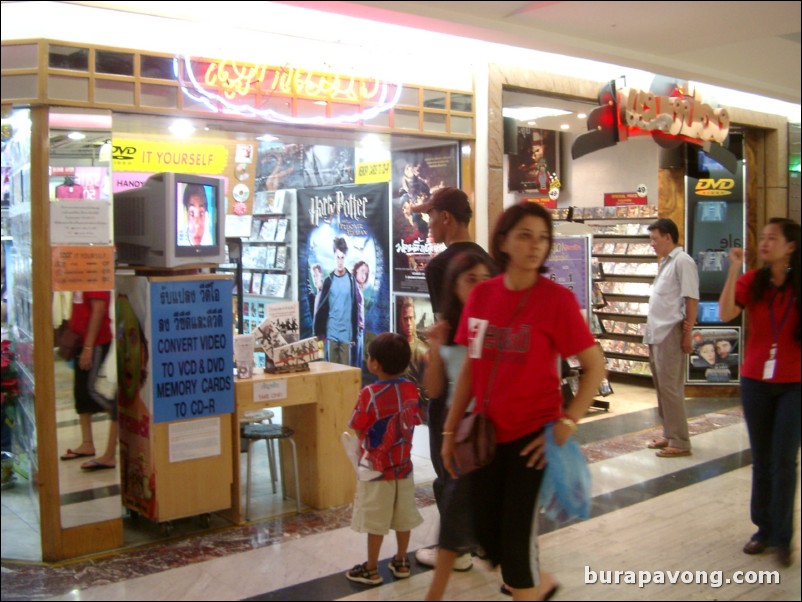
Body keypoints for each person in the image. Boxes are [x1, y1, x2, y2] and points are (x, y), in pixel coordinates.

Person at [441, 202, 606, 601]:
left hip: (533, 440)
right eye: (525, 236)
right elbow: (469, 369)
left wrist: (567, 424)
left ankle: (529, 584)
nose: (536, 246)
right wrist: (449, 430)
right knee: (490, 540)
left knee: (516, 548)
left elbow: (594, 367)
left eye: (543, 238)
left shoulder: (556, 301)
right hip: (486, 437)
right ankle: (533, 582)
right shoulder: (482, 296)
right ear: (504, 242)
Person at [409, 186, 494, 574]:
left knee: (447, 457)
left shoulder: (441, 266)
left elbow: (449, 326)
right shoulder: (487, 261)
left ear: (446, 217)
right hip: (488, 375)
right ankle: (477, 539)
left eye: (430, 216)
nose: (427, 224)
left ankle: (455, 548)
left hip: (455, 372)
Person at [718, 218, 800, 568]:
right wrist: (734, 268)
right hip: (756, 381)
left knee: (784, 459)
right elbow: (725, 313)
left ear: (791, 246)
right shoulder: (753, 282)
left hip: (795, 383)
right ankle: (763, 529)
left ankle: (783, 536)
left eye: (773, 238)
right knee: (763, 459)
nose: (764, 243)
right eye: (762, 238)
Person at [420, 249, 498, 601]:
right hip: (460, 434)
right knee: (455, 512)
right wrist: (436, 347)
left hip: (494, 432)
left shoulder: (499, 325)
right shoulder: (449, 330)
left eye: (485, 280)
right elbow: (434, 389)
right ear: (454, 286)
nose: (479, 287)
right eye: (470, 280)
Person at [345, 332, 424, 585]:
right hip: (404, 467)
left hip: (377, 469)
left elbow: (358, 427)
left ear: (375, 363)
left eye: (369, 356)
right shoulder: (411, 388)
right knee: (403, 517)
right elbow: (414, 420)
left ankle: (371, 569)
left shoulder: (369, 393)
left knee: (376, 521)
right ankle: (401, 561)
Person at [643, 218, 699, 458]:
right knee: (661, 388)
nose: (652, 244)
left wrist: (687, 334)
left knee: (671, 388)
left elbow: (691, 299)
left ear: (668, 237)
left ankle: (680, 440)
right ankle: (668, 433)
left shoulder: (683, 262)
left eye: (655, 238)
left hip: (670, 332)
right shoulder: (665, 262)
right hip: (656, 333)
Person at [59, 290, 118, 471]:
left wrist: (88, 347)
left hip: (94, 342)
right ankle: (87, 443)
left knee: (89, 392)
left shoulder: (93, 274)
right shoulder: (78, 273)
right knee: (80, 392)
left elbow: (98, 310)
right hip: (81, 340)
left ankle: (118, 416)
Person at [313, 236, 358, 365]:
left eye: (342, 257)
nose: (340, 261)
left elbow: (355, 309)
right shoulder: (329, 281)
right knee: (331, 370)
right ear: (334, 257)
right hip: (331, 333)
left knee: (345, 372)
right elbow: (322, 308)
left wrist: (354, 335)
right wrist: (319, 332)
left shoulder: (351, 280)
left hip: (346, 335)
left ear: (345, 258)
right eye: (337, 257)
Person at [396, 296, 429, 399]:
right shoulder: (393, 346)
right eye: (405, 319)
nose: (409, 323)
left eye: (411, 318)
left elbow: (427, 390)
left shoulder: (423, 350)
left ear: (414, 318)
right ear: (399, 320)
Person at [353, 260, 370, 370]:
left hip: (360, 328)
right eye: (362, 271)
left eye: (366, 273)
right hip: (356, 329)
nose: (364, 275)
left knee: (358, 362)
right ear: (356, 271)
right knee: (355, 362)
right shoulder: (353, 287)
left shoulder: (357, 287)